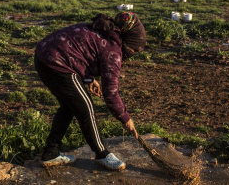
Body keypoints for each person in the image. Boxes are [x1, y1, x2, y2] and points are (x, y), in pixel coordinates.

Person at [34, 11, 146, 170]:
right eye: (134, 49)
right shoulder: (113, 51)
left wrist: (88, 78)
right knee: (86, 107)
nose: (132, 53)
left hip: (44, 56)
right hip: (56, 63)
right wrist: (125, 118)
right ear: (129, 42)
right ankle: (102, 154)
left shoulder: (105, 32)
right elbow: (111, 93)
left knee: (69, 106)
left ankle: (50, 153)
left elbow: (81, 50)